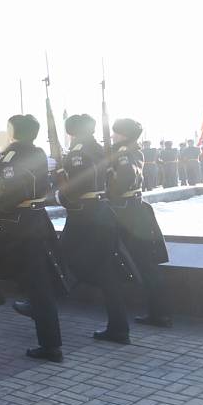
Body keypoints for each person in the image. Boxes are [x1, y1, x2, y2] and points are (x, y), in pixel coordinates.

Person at [0, 115, 66, 363]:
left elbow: (14, 191)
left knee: (38, 287)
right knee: (37, 286)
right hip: (33, 223)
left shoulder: (17, 156)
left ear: (12, 131)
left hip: (21, 227)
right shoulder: (31, 152)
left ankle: (51, 347)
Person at [58, 114, 138, 344]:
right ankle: (119, 327)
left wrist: (60, 194)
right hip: (102, 211)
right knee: (106, 272)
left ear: (71, 132)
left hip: (85, 215)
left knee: (63, 256)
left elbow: (77, 185)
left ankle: (41, 301)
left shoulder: (78, 151)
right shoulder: (101, 148)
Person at [107, 119, 172, 328]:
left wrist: (109, 176)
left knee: (145, 265)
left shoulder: (125, 152)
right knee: (145, 265)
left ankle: (159, 314)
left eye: (116, 132)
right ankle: (158, 313)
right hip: (132, 209)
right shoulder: (129, 150)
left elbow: (124, 180)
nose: (113, 135)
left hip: (128, 212)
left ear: (124, 134)